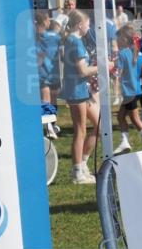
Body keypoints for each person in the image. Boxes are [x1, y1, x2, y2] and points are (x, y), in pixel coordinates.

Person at [61, 11, 101, 183]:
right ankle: (77, 173)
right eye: (88, 24)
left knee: (100, 124)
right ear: (80, 25)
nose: (89, 27)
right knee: (80, 131)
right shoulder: (75, 41)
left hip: (81, 89)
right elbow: (82, 70)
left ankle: (83, 164)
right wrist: (102, 66)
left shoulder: (74, 40)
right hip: (76, 91)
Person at [113, 25, 142, 153]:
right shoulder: (138, 53)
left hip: (129, 92)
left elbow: (118, 73)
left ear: (124, 39)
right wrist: (136, 76)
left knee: (135, 119)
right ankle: (125, 142)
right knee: (121, 116)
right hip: (137, 90)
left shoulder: (122, 54)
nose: (116, 41)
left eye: (118, 38)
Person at [35, 11, 62, 139]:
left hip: (44, 72)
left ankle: (51, 126)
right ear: (45, 21)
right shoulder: (54, 36)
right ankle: (50, 127)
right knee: (50, 100)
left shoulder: (34, 36)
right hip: (51, 72)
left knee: (47, 100)